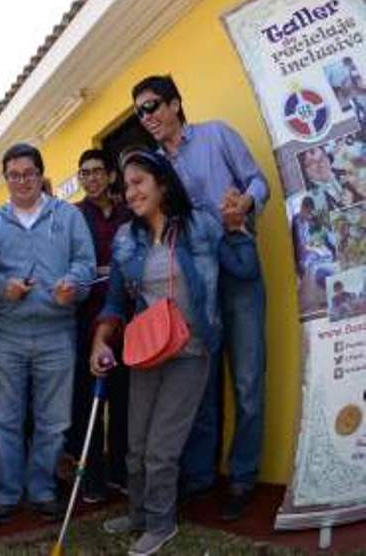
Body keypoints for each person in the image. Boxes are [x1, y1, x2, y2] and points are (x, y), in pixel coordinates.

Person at [91, 148, 258, 556]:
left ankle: (162, 524)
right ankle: (138, 515)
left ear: (162, 184)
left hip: (191, 349)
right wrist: (100, 340)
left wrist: (237, 229)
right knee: (134, 445)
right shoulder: (128, 239)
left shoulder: (200, 224)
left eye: (138, 183)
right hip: (147, 351)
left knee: (162, 448)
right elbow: (115, 300)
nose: (130, 193)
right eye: (126, 185)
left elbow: (244, 270)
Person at [132, 75, 270, 520]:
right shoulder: (154, 165)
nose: (147, 117)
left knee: (247, 381)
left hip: (237, 265)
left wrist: (244, 206)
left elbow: (257, 180)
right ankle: (202, 479)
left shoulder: (217, 135)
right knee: (201, 384)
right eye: (140, 112)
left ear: (176, 103)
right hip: (194, 279)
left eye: (152, 106)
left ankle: (243, 477)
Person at [0, 143, 95, 525]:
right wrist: (3, 289)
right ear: (6, 178)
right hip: (5, 333)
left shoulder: (68, 216)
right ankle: (8, 493)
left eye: (29, 173)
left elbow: (85, 262)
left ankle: (42, 490)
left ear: (41, 175)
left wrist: (74, 284)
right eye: (13, 175)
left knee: (55, 420)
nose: (21, 181)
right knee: (3, 420)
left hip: (56, 331)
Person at [65, 149, 131, 503]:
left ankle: (119, 471)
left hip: (126, 314)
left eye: (95, 172)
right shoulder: (73, 215)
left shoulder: (128, 210)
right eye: (83, 173)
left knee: (123, 396)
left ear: (110, 175)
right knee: (88, 397)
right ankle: (91, 476)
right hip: (85, 317)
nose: (89, 179)